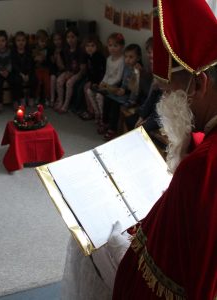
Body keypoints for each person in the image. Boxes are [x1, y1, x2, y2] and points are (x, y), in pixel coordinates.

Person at [113, 0, 217, 298]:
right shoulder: (202, 148)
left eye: (168, 89)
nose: (163, 102)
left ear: (198, 85)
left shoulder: (202, 167)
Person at [101, 43, 142, 140]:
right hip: (125, 92)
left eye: (131, 57)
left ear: (138, 58)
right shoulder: (127, 67)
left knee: (116, 105)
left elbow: (136, 89)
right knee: (107, 99)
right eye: (126, 57)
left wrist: (131, 101)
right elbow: (124, 82)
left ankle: (112, 129)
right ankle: (105, 122)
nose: (127, 60)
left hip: (133, 97)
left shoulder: (138, 70)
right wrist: (122, 89)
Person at [87, 32, 125, 130]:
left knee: (99, 96)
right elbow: (107, 74)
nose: (112, 48)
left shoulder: (122, 60)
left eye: (115, 46)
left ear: (121, 47)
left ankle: (103, 118)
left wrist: (107, 85)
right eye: (110, 45)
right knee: (89, 91)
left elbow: (119, 77)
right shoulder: (108, 59)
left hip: (114, 87)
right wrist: (102, 83)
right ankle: (97, 113)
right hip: (106, 84)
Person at [55, 27, 86, 113]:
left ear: (77, 37)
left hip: (79, 72)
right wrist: (68, 72)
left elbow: (82, 67)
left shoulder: (81, 49)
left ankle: (66, 104)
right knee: (59, 80)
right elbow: (67, 63)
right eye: (68, 37)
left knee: (69, 83)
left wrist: (72, 74)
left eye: (73, 37)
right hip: (70, 70)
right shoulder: (66, 49)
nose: (70, 39)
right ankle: (60, 101)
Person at [79, 35, 106, 121]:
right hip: (92, 79)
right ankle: (93, 111)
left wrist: (94, 82)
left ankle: (93, 112)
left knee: (88, 89)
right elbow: (89, 71)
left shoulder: (98, 57)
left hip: (100, 80)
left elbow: (100, 72)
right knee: (86, 88)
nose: (89, 48)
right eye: (87, 46)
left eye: (92, 46)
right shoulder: (88, 56)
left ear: (97, 46)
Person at [0, 30, 15, 113]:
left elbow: (11, 62)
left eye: (3, 41)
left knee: (14, 80)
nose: (1, 43)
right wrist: (0, 71)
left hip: (7, 71)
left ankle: (15, 101)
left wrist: (7, 70)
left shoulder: (9, 50)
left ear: (6, 41)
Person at [11, 31, 36, 108]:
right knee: (16, 80)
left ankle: (31, 97)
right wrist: (21, 74)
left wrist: (27, 74)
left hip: (28, 72)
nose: (21, 42)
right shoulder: (13, 52)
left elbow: (31, 64)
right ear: (15, 42)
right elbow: (14, 65)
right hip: (18, 72)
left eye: (23, 40)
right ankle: (22, 98)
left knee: (34, 79)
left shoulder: (28, 51)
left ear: (26, 41)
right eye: (18, 40)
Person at [32, 29, 52, 106]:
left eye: (45, 41)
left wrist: (44, 60)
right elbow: (32, 61)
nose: (44, 43)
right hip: (37, 70)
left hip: (46, 69)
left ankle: (47, 97)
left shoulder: (48, 50)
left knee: (47, 82)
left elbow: (49, 62)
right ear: (37, 41)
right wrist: (36, 59)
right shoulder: (34, 49)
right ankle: (37, 97)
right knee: (38, 82)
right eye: (42, 41)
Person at [49, 31, 65, 107]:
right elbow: (52, 63)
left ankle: (59, 99)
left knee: (58, 79)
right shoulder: (52, 50)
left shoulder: (65, 50)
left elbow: (63, 66)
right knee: (52, 78)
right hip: (54, 70)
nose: (57, 41)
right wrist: (55, 55)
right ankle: (52, 99)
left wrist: (58, 55)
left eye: (59, 39)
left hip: (63, 70)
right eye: (55, 40)